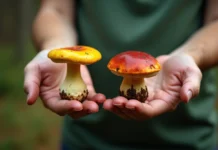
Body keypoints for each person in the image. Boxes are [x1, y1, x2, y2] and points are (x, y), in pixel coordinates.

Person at [24, 0, 218, 150]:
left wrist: (191, 55)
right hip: (85, 140)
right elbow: (55, 9)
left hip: (190, 139)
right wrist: (53, 47)